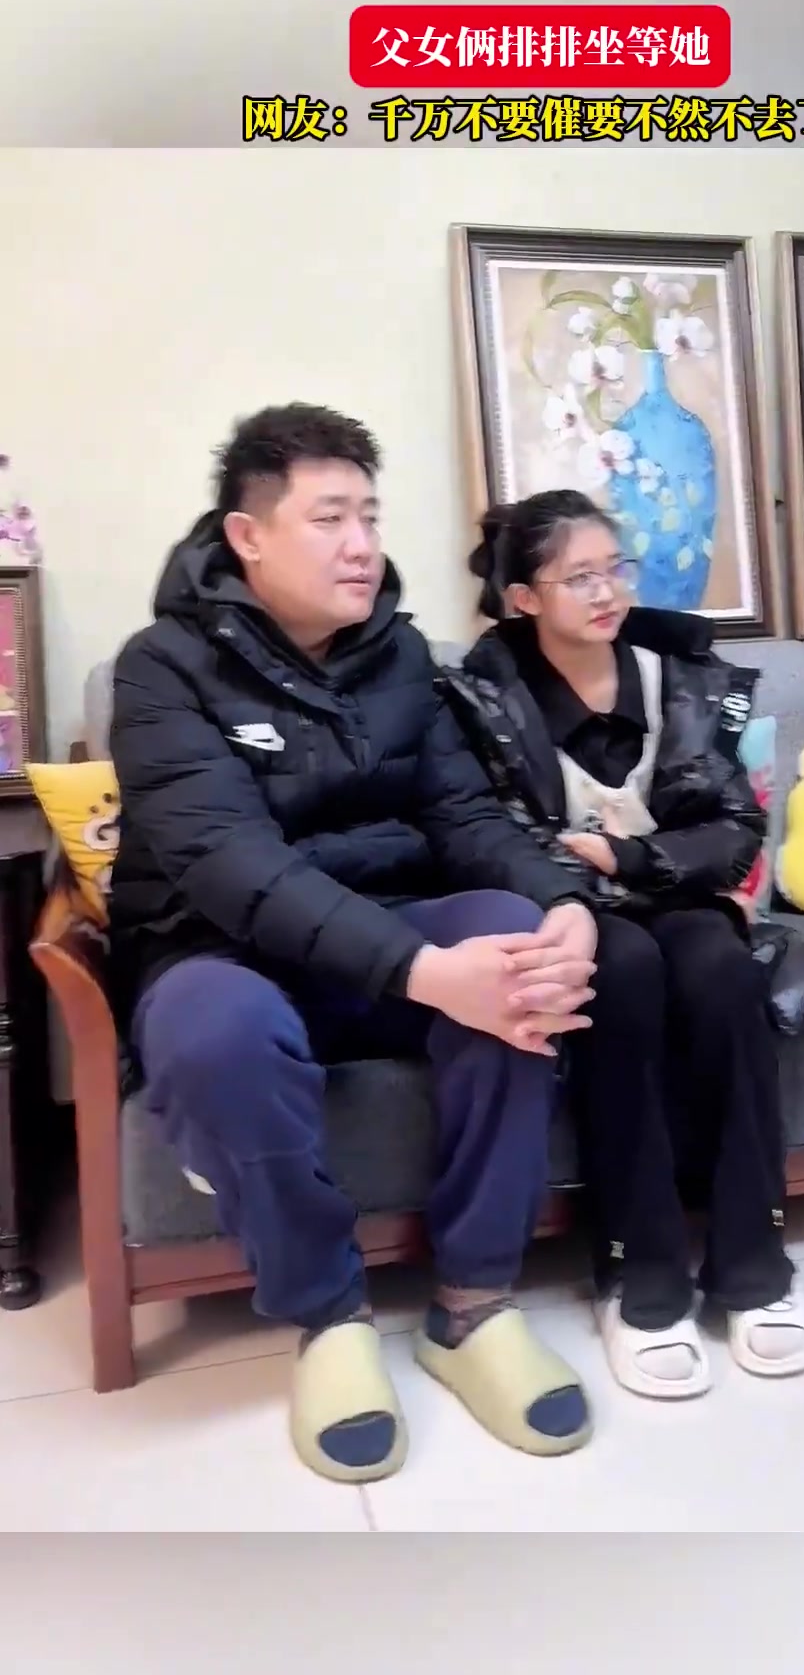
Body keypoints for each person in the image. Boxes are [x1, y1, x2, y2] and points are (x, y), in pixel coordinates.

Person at [108, 406, 602, 1486]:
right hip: (224, 950)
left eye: (370, 516)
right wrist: (428, 973)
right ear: (248, 537)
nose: (361, 545)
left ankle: (474, 1307)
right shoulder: (160, 669)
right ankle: (328, 1315)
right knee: (212, 1031)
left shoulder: (401, 657)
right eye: (330, 518)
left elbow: (464, 815)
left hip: (387, 928)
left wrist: (563, 901)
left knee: (516, 944)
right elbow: (231, 865)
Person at [442, 489, 804, 1400]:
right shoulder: (478, 696)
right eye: (579, 577)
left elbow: (735, 828)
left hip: (670, 890)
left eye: (616, 569)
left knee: (722, 971)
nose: (607, 591)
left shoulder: (682, 676)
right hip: (565, 911)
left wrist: (632, 857)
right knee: (623, 974)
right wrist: (577, 882)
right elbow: (472, 829)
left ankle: (755, 1260)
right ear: (523, 598)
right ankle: (636, 1269)